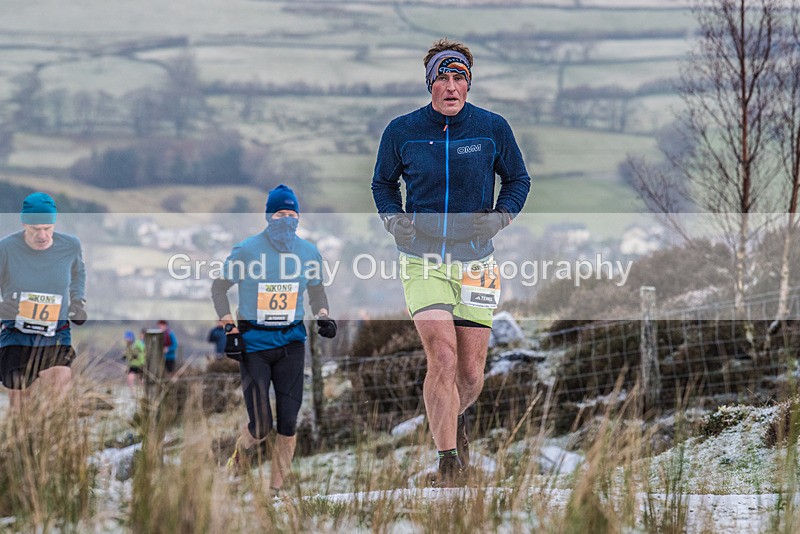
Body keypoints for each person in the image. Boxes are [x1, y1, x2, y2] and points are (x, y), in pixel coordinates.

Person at [371, 39, 531, 486]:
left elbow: (518, 178)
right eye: (443, 76)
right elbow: (382, 184)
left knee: (470, 374)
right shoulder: (401, 131)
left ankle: (450, 423)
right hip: (421, 260)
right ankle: (448, 462)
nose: (451, 85)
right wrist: (393, 220)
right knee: (441, 357)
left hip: (476, 262)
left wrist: (500, 217)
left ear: (468, 83)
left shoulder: (491, 128)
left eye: (459, 77)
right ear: (430, 83)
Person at [211, 184, 336, 497]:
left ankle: (276, 491)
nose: (287, 219)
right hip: (254, 345)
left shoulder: (308, 252)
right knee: (261, 425)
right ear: (269, 216)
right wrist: (230, 329)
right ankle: (236, 466)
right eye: (281, 213)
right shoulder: (247, 250)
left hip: (291, 344)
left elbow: (317, 291)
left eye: (292, 214)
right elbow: (219, 288)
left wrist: (322, 315)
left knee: (289, 423)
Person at [0, 192, 87, 408]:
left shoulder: (70, 246)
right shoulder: (6, 249)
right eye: (35, 229)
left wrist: (77, 301)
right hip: (16, 336)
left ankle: (55, 440)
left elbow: (78, 274)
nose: (42, 235)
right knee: (21, 411)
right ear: (24, 224)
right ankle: (23, 441)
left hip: (56, 333)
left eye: (47, 228)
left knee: (59, 401)